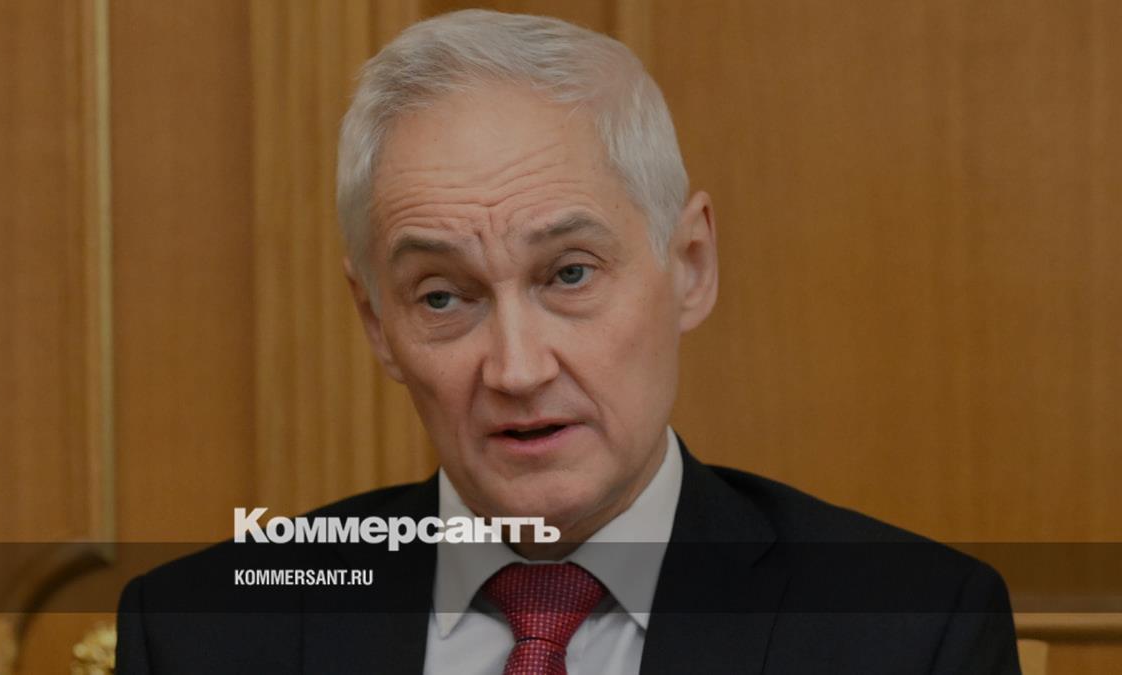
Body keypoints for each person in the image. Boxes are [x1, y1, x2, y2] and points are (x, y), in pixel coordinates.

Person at [117, 9, 1021, 674]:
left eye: (570, 274)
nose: (517, 369)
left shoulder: (911, 630)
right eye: (443, 296)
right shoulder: (203, 632)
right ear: (377, 325)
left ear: (691, 265)